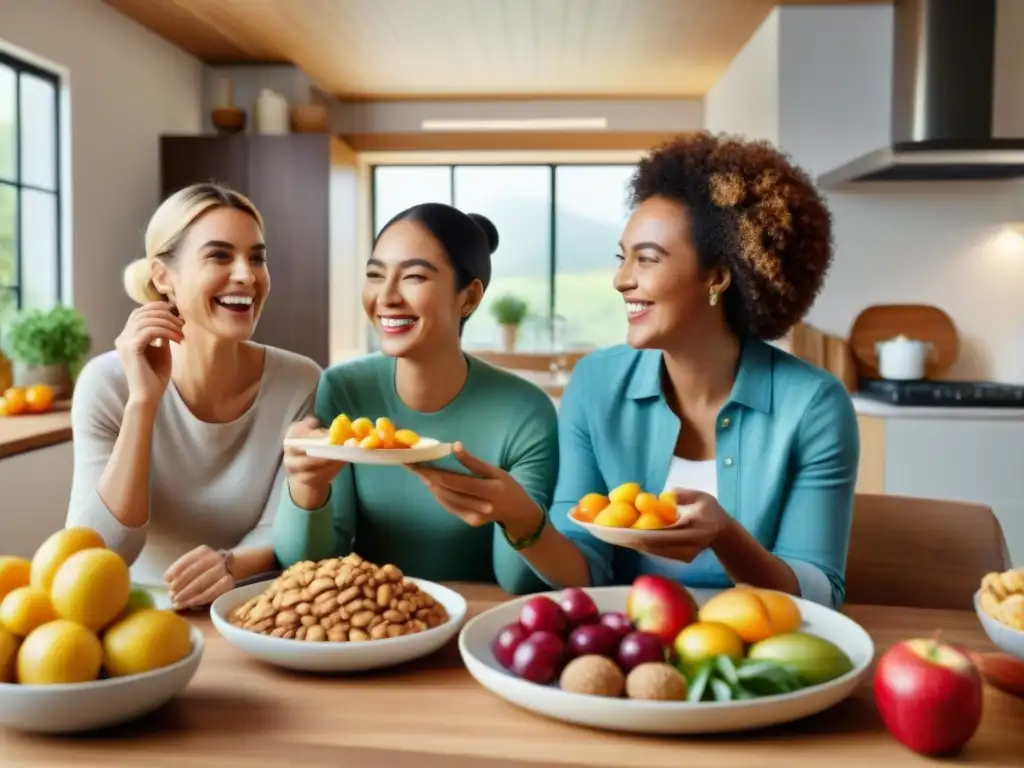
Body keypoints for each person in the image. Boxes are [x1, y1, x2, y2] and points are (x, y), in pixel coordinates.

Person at [516, 132, 858, 608]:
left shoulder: (814, 406)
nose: (621, 280)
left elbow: (820, 590)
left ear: (717, 276)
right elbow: (585, 566)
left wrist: (726, 536)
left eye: (647, 259)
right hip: (631, 643)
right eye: (623, 257)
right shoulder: (595, 385)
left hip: (758, 649)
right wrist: (518, 519)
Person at [272, 203, 557, 595]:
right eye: (375, 275)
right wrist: (305, 487)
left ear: (469, 297)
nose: (386, 296)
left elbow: (518, 581)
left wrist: (516, 515)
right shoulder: (343, 389)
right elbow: (310, 568)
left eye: (414, 276)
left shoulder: (525, 413)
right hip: (374, 623)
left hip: (479, 625)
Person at [67, 182, 322, 610]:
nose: (246, 275)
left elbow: (280, 526)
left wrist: (232, 565)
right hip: (133, 621)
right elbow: (99, 553)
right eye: (219, 256)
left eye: (257, 258)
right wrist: (143, 404)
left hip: (256, 611)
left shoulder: (299, 381)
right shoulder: (106, 383)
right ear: (162, 277)